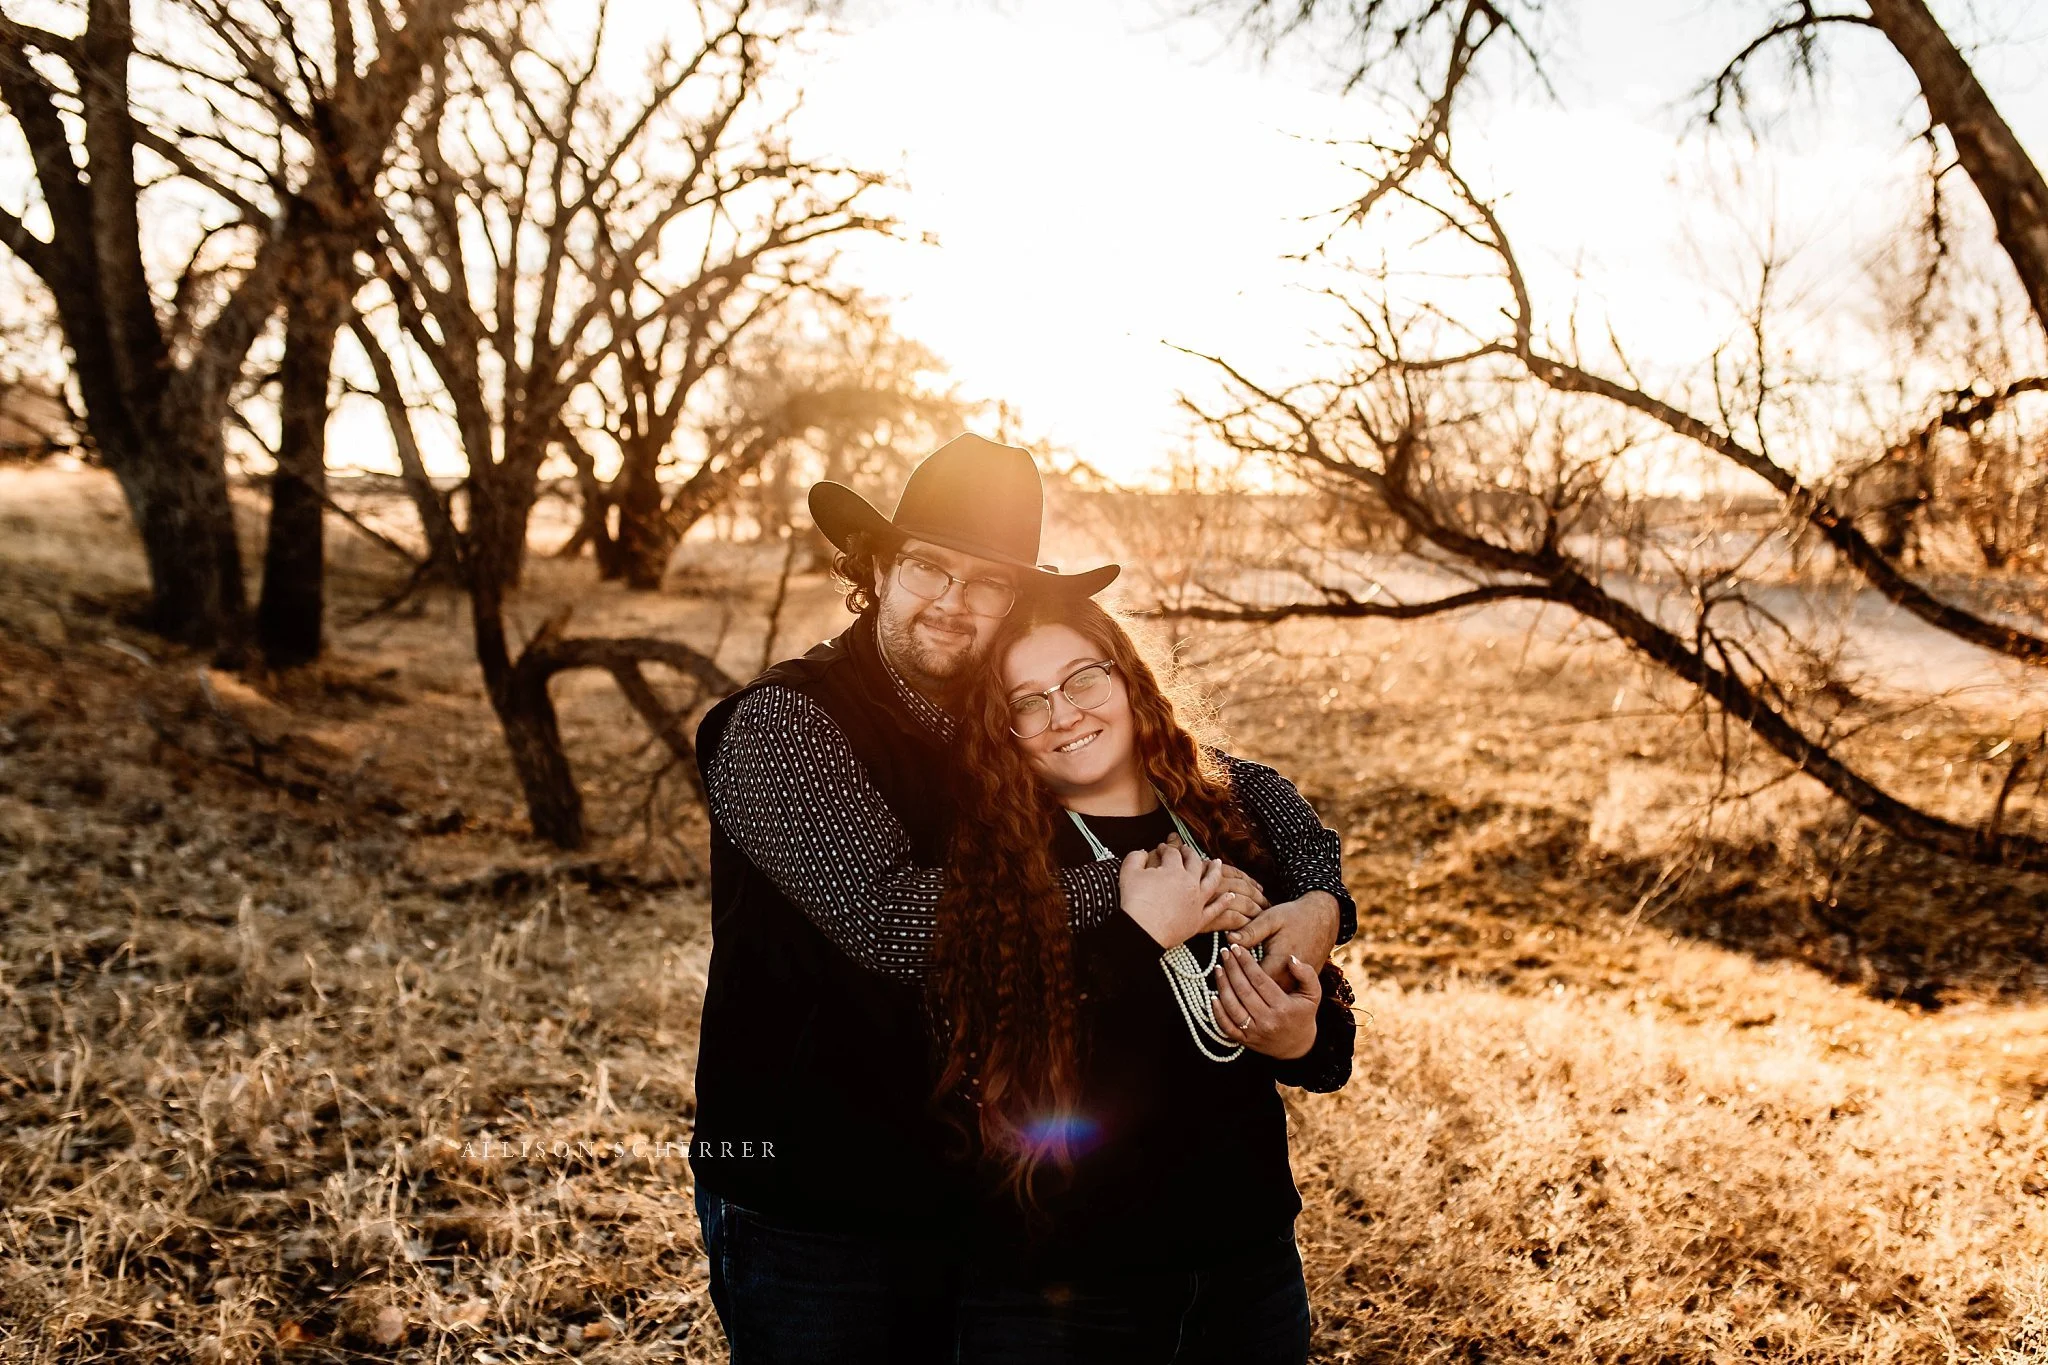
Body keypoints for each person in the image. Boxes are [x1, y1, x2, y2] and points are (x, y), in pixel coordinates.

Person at [692, 434, 1357, 1364]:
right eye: (928, 567)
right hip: (812, 1190)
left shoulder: (1002, 722)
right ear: (878, 566)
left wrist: (1323, 900)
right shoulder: (782, 724)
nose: (954, 602)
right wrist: (1128, 896)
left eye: (987, 582)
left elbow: (1238, 787)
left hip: (963, 1189)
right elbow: (886, 919)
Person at [931, 591, 1355, 1364]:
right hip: (1066, 1294)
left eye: (1082, 680)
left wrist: (1300, 1034)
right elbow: (1002, 1074)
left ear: (1128, 679)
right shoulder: (997, 861)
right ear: (1005, 731)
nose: (1062, 714)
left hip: (1246, 1271)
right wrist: (1140, 934)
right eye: (1027, 702)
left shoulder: (1228, 817)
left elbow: (1331, 1051)